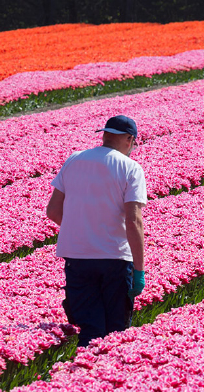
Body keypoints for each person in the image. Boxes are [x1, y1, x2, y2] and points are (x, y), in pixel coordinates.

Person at [46, 115, 147, 347]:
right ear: (130, 139)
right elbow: (133, 221)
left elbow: (52, 211)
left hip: (77, 257)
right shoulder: (131, 168)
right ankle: (107, 378)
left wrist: (83, 230)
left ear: (105, 135)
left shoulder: (74, 160)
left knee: (90, 327)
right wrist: (139, 271)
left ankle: (80, 375)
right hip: (115, 259)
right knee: (115, 331)